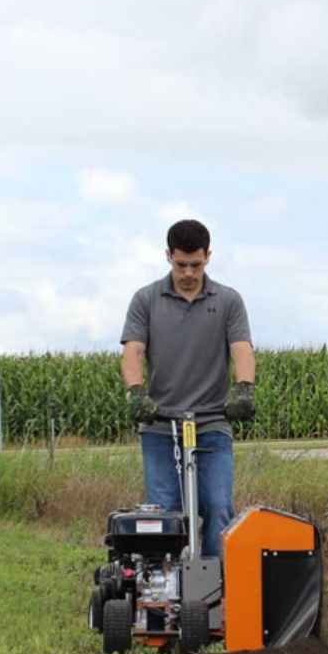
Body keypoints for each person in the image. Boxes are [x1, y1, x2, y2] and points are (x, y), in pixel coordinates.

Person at [120, 219, 255, 558]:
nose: (189, 273)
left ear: (208, 256)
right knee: (163, 513)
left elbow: (241, 349)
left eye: (196, 264)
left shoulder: (227, 301)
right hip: (161, 426)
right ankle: (164, 593)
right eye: (181, 264)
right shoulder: (146, 299)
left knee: (218, 506)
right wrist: (136, 393)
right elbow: (133, 351)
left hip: (211, 422)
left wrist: (244, 389)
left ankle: (212, 590)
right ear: (168, 256)